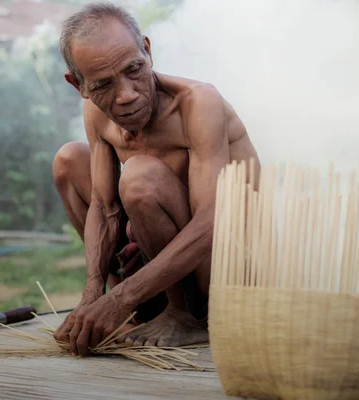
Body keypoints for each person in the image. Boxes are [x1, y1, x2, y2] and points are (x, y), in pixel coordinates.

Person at [51, 2, 261, 357]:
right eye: (103, 84)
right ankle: (137, 311)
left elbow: (213, 221)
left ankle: (186, 316)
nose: (127, 94)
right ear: (79, 85)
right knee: (69, 160)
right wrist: (94, 295)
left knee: (139, 177)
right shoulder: (96, 112)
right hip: (155, 267)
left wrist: (121, 298)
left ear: (147, 51)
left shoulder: (197, 103)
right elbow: (104, 207)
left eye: (134, 69)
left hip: (225, 272)